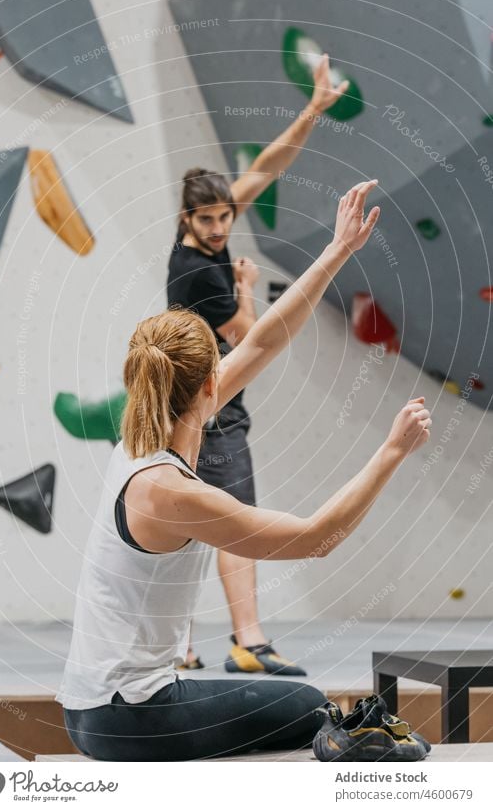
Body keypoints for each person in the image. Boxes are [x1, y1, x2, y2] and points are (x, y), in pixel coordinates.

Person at [57, 181, 432, 761]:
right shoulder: (170, 491)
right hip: (127, 718)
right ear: (210, 386)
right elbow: (316, 539)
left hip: (100, 708)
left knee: (291, 701)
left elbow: (260, 343)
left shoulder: (136, 443)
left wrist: (338, 251)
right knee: (309, 704)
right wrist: (391, 452)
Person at [167, 55, 350, 674]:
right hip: (208, 408)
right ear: (186, 219)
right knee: (231, 525)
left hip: (203, 403)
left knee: (193, 525)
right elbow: (253, 338)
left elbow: (267, 167)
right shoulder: (197, 274)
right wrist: (247, 287)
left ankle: (189, 645)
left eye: (226, 216)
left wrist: (313, 108)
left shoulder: (197, 239)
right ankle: (244, 641)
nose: (221, 228)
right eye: (210, 219)